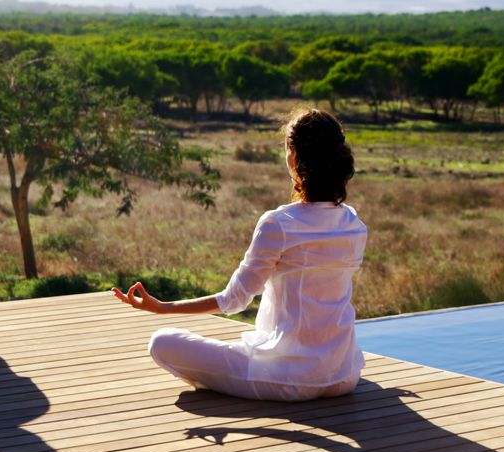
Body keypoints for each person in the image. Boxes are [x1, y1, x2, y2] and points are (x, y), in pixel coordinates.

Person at [113, 108, 368, 401]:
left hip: (287, 379)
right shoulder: (353, 222)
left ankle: (228, 378)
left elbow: (234, 300)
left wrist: (164, 307)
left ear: (295, 157)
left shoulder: (279, 224)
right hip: (344, 375)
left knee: (162, 342)